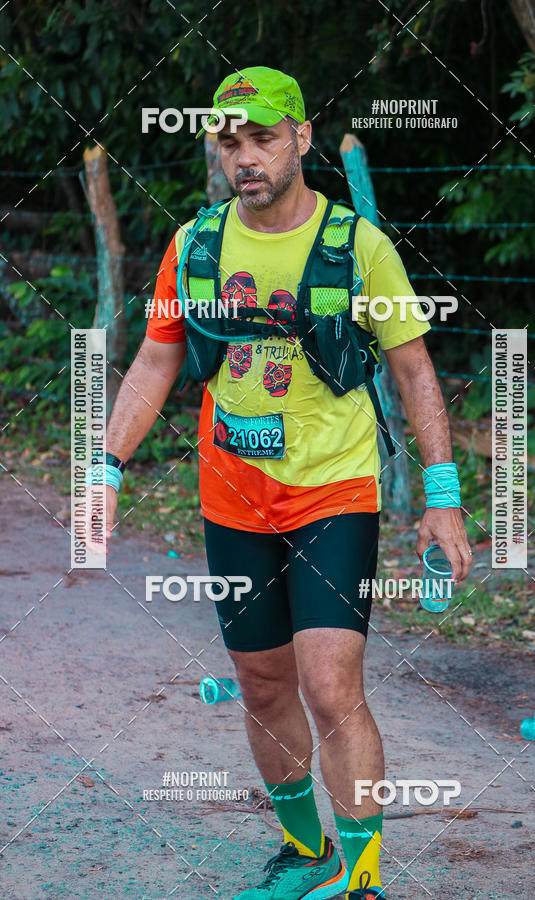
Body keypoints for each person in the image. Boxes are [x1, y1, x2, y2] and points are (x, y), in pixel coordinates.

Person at [90, 66, 472, 900]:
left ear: (300, 138)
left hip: (335, 491)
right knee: (263, 684)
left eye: (263, 137)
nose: (246, 156)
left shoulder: (356, 247)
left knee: (331, 683)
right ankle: (307, 853)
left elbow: (412, 368)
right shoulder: (195, 246)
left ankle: (363, 877)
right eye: (231, 142)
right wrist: (104, 466)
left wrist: (441, 497)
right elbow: (157, 358)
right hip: (233, 495)